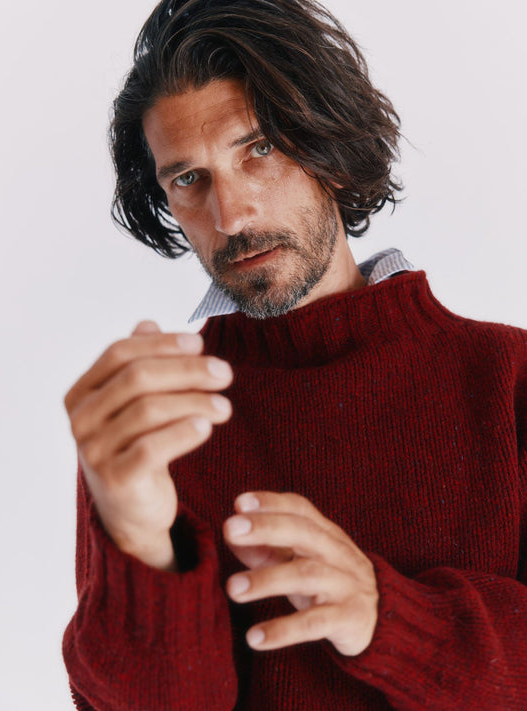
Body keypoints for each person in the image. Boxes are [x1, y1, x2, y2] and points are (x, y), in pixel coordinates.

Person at [62, 0, 527, 708]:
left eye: (259, 149)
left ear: (329, 146)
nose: (231, 215)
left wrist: (390, 618)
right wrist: (139, 537)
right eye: (188, 179)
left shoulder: (507, 377)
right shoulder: (158, 419)